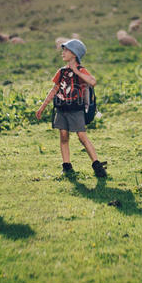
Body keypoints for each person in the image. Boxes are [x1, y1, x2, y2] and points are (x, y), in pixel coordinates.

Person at [35, 39, 107, 178]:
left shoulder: (81, 70)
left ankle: (97, 165)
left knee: (82, 136)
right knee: (63, 136)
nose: (63, 53)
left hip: (76, 109)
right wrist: (42, 107)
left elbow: (93, 81)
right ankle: (67, 166)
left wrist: (76, 71)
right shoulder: (61, 72)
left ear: (74, 54)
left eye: (66, 50)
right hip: (62, 109)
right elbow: (54, 89)